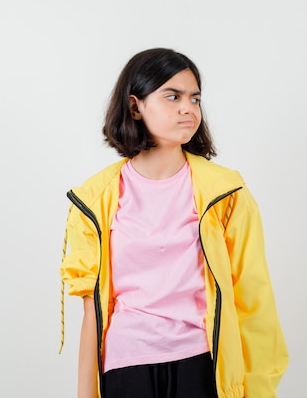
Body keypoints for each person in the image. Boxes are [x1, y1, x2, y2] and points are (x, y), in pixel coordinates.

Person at [59, 47, 288, 398]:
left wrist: (258, 389)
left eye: (194, 98)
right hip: (125, 364)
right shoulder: (93, 200)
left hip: (202, 360)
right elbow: (92, 310)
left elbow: (253, 299)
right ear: (136, 106)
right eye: (172, 96)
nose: (188, 108)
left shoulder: (226, 192)